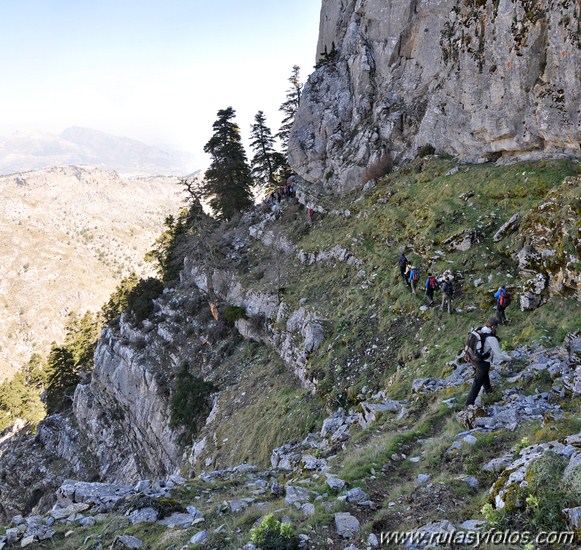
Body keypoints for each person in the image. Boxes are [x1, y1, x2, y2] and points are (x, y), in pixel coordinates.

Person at [465, 317, 511, 407]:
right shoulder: (491, 338)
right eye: (496, 327)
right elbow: (499, 355)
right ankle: (468, 404)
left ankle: (488, 390)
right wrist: (510, 359)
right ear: (493, 327)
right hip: (483, 363)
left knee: (484, 374)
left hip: (473, 359)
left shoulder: (479, 330)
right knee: (477, 383)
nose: (497, 329)